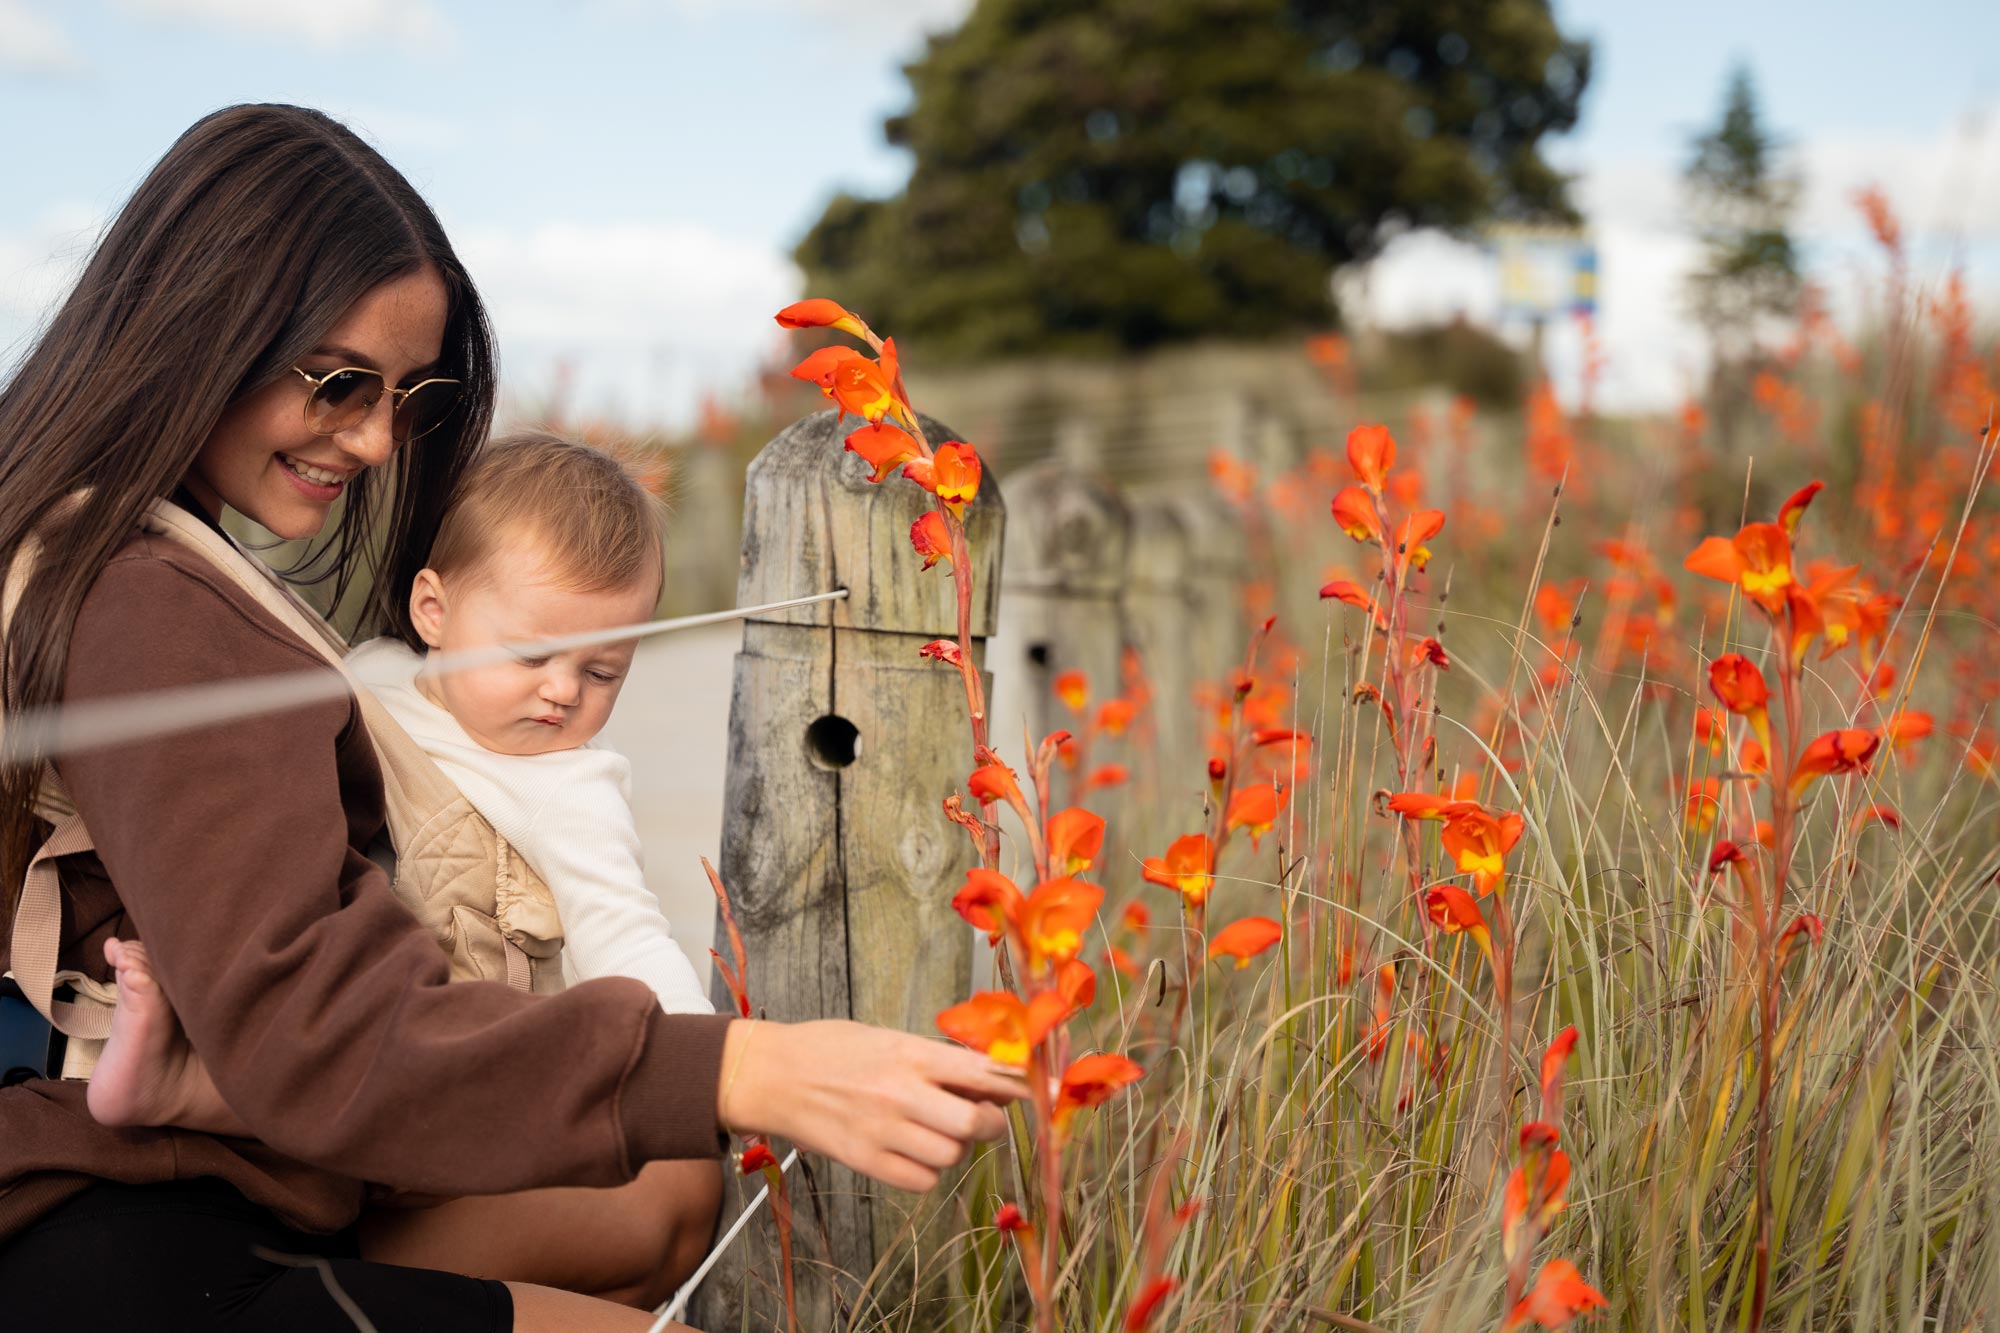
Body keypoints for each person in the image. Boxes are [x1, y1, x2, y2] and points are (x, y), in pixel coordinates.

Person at [0, 104, 1023, 1332]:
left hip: (212, 1172)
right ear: (201, 323)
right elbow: (310, 1022)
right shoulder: (148, 602)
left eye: (403, 395)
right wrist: (754, 1068)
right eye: (337, 384)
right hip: (117, 1223)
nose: (377, 439)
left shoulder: (95, 539)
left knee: (657, 1201)